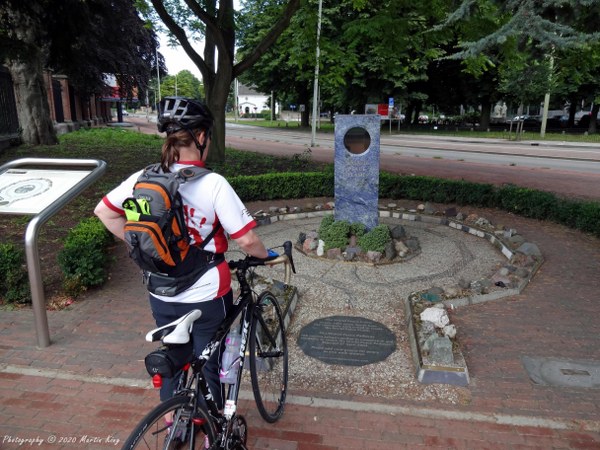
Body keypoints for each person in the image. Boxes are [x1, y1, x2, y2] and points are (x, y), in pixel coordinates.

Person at [94, 96, 271, 410]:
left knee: (173, 357)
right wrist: (266, 255)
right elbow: (246, 241)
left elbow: (105, 212)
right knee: (209, 365)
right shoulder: (214, 184)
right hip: (206, 293)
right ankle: (208, 425)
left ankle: (171, 420)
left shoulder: (142, 178)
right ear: (201, 137)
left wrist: (142, 246)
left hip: (160, 290)